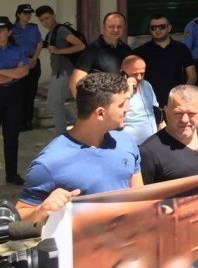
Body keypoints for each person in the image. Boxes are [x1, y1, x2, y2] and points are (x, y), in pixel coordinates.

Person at [17, 71, 143, 223]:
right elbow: (19, 217)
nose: (127, 108)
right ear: (100, 113)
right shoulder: (49, 163)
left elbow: (139, 197)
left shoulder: (126, 142)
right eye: (121, 104)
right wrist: (41, 209)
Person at [140, 84, 198, 183]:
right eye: (178, 113)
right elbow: (143, 194)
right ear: (166, 111)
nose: (184, 120)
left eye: (191, 113)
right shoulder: (149, 151)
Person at [35, 5, 83, 135]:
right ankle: (79, 124)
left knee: (56, 106)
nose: (45, 22)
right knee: (52, 104)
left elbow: (80, 45)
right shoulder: (52, 31)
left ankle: (61, 137)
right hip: (57, 72)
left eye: (47, 18)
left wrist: (59, 51)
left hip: (64, 73)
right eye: (42, 20)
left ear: (54, 16)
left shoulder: (61, 30)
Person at [134, 13, 196, 104]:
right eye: (153, 28)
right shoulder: (141, 51)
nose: (157, 30)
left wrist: (183, 94)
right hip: (149, 104)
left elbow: (192, 76)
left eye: (161, 27)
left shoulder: (182, 49)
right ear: (150, 30)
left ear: (169, 28)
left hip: (177, 102)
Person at [69, 11, 133, 97]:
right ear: (103, 27)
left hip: (123, 103)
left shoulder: (127, 50)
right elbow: (74, 83)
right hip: (100, 105)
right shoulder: (92, 50)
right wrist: (85, 107)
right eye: (111, 26)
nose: (116, 30)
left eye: (119, 27)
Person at [0, 16, 29, 184]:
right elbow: (17, 73)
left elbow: (24, 72)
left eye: (2, 30)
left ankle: (11, 174)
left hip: (14, 96)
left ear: (9, 32)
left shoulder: (17, 49)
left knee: (11, 137)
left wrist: (4, 73)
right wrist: (13, 73)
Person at [12, 4, 42, 131]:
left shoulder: (33, 28)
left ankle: (28, 121)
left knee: (31, 93)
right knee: (19, 94)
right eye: (25, 13)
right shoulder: (12, 30)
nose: (28, 15)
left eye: (30, 13)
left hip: (33, 62)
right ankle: (19, 122)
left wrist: (34, 59)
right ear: (18, 15)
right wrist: (25, 60)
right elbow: (12, 47)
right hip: (19, 64)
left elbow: (39, 43)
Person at [120, 55, 160, 146]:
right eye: (135, 74)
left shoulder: (146, 85)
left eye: (142, 74)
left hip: (152, 142)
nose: (139, 77)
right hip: (131, 144)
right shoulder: (116, 91)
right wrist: (128, 92)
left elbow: (155, 109)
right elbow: (118, 114)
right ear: (123, 74)